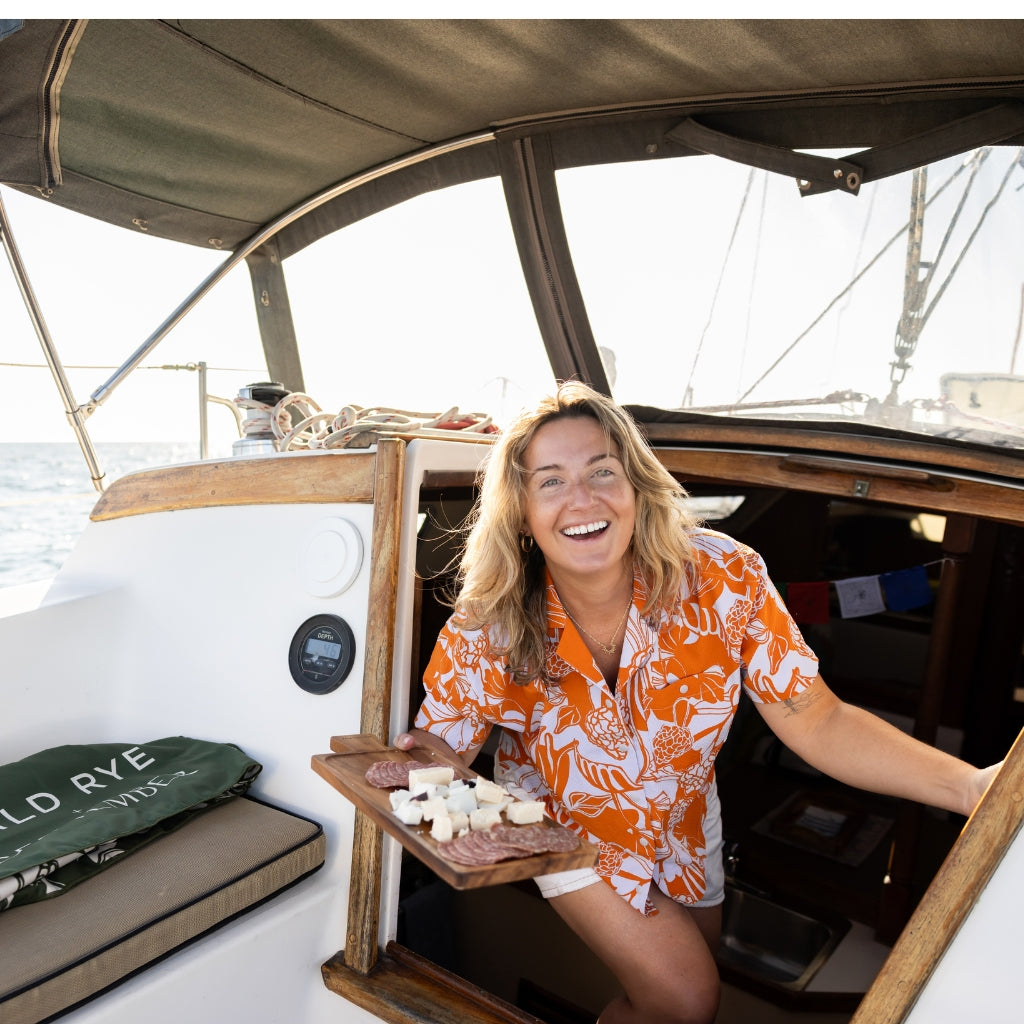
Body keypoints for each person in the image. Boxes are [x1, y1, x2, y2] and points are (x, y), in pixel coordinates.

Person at [395, 380, 1001, 1024]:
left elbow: (816, 718)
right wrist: (419, 769)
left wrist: (972, 788)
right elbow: (439, 755)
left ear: (635, 486)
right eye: (550, 481)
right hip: (562, 826)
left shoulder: (726, 578)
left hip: (685, 815)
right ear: (519, 511)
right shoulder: (487, 624)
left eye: (603, 471)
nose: (583, 499)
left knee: (672, 1004)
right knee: (685, 997)